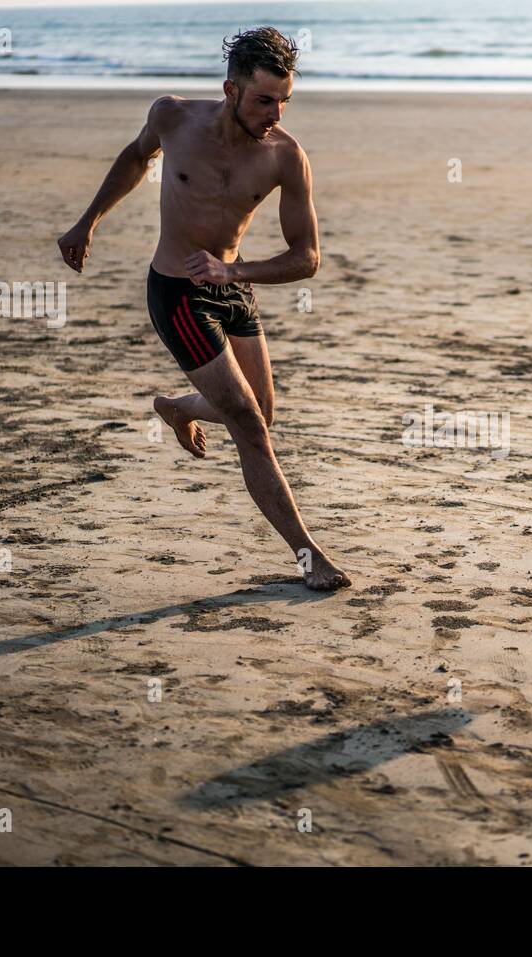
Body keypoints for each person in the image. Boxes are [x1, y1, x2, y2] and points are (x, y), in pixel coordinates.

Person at [57, 27, 351, 591]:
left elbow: (307, 257)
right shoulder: (172, 117)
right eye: (265, 100)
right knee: (246, 422)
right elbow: (136, 157)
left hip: (231, 286)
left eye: (285, 100)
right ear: (230, 89)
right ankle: (309, 557)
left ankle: (177, 406)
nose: (276, 113)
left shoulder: (286, 158)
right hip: (176, 290)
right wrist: (87, 221)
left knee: (261, 413)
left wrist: (233, 271)